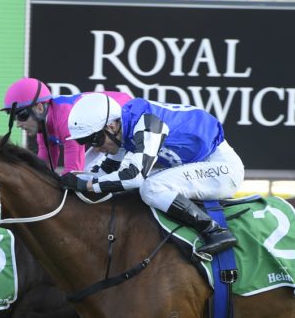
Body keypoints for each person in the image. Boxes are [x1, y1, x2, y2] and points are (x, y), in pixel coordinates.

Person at [61, 93, 243, 256]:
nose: (96, 148)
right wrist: (70, 181)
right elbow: (103, 174)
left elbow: (133, 178)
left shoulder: (148, 123)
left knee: (151, 187)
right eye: (86, 142)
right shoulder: (126, 129)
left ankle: (214, 231)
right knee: (144, 185)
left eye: (95, 140)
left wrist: (86, 185)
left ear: (112, 126)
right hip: (202, 165)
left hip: (222, 169)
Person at [1, 78, 131, 174]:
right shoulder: (43, 123)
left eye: (22, 115)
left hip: (124, 122)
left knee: (83, 176)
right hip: (108, 126)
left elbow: (73, 171)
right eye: (14, 118)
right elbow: (44, 169)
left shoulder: (65, 117)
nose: (18, 124)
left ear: (39, 108)